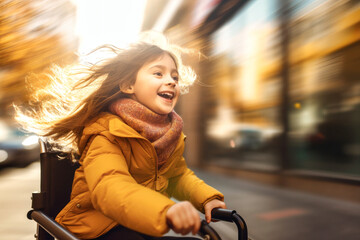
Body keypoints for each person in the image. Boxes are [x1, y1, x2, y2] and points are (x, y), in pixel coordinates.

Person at [15, 33, 226, 240]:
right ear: (128, 85)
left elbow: (178, 177)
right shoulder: (106, 132)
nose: (171, 81)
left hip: (138, 227)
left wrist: (207, 198)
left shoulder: (169, 136)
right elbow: (111, 188)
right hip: (95, 230)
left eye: (175, 76)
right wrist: (166, 211)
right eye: (158, 74)